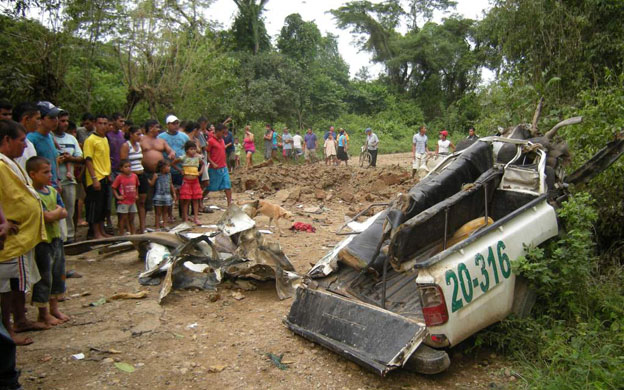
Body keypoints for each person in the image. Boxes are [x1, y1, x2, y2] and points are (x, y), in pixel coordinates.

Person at [0, 119, 47, 346]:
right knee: (7, 286)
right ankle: (7, 329)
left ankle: (20, 320)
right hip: (11, 239)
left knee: (18, 281)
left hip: (23, 237)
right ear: (7, 140)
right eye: (21, 140)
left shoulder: (9, 162)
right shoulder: (0, 165)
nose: (24, 145)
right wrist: (3, 222)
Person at [26, 156, 70, 326]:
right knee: (44, 276)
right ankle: (42, 312)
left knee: (58, 273)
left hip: (56, 238)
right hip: (42, 241)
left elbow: (63, 212)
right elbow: (48, 216)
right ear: (33, 174)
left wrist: (56, 214)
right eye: (45, 172)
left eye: (50, 171)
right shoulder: (33, 194)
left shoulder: (52, 191)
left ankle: (54, 308)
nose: (50, 175)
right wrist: (56, 213)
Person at [53, 111, 83, 244]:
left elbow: (80, 157)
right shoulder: (49, 137)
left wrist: (70, 158)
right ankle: (58, 236)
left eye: (66, 121)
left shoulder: (71, 139)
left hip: (69, 179)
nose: (64, 124)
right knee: (55, 209)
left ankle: (69, 236)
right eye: (62, 120)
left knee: (70, 208)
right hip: (54, 180)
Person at [83, 114, 112, 239]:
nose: (103, 126)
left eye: (105, 123)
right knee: (95, 206)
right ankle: (96, 232)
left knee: (103, 206)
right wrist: (94, 178)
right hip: (96, 177)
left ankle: (102, 230)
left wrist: (109, 174)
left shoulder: (105, 139)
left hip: (105, 176)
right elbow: (88, 160)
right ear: (95, 124)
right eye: (100, 123)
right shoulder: (90, 140)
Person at [119, 126, 149, 233]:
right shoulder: (125, 146)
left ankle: (142, 227)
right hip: (131, 176)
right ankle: (129, 227)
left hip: (141, 174)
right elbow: (123, 163)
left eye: (140, 134)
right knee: (129, 202)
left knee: (142, 202)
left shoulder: (139, 145)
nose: (139, 136)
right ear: (131, 134)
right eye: (137, 134)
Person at [158, 115, 189, 215]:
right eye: (173, 123)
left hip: (182, 168)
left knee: (182, 192)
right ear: (168, 125)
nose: (176, 125)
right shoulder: (161, 137)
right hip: (167, 169)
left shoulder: (184, 136)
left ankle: (183, 213)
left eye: (177, 123)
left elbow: (190, 147)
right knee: (169, 192)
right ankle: (169, 215)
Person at [27, 101, 61, 189]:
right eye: (52, 117)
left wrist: (58, 180)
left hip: (53, 184)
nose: (56, 120)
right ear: (41, 119)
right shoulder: (31, 139)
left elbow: (55, 159)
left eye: (57, 117)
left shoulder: (50, 136)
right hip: (41, 187)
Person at [176, 141, 203, 225]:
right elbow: (173, 163)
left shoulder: (197, 158)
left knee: (195, 199)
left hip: (195, 181)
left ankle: (195, 217)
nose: (193, 151)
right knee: (186, 200)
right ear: (187, 150)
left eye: (195, 149)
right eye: (191, 149)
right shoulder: (183, 158)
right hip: (186, 181)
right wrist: (180, 170)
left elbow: (203, 164)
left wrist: (200, 172)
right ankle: (186, 218)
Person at [206, 124, 232, 206]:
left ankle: (229, 204)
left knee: (227, 185)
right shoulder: (211, 141)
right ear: (217, 132)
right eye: (222, 133)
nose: (223, 135)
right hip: (214, 168)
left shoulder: (222, 140)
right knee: (210, 187)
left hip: (223, 167)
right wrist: (212, 163)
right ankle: (200, 199)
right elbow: (207, 154)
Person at [111, 160, 139, 235]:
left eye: (129, 166)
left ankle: (133, 233)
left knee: (132, 218)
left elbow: (136, 186)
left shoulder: (134, 176)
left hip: (132, 201)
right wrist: (117, 196)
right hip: (124, 201)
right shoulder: (119, 177)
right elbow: (113, 187)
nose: (128, 168)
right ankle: (121, 233)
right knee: (123, 218)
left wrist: (136, 194)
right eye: (126, 167)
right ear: (121, 168)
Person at [12, 102, 40, 170]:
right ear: (26, 119)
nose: (40, 123)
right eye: (38, 119)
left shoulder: (29, 144)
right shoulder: (12, 144)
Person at [152, 160, 175, 230]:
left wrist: (173, 193)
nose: (169, 168)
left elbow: (171, 184)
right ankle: (157, 226)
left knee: (165, 211)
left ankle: (164, 224)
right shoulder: (157, 175)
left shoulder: (169, 175)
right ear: (161, 168)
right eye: (167, 166)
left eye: (169, 166)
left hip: (167, 195)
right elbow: (152, 184)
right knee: (158, 212)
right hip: (158, 195)